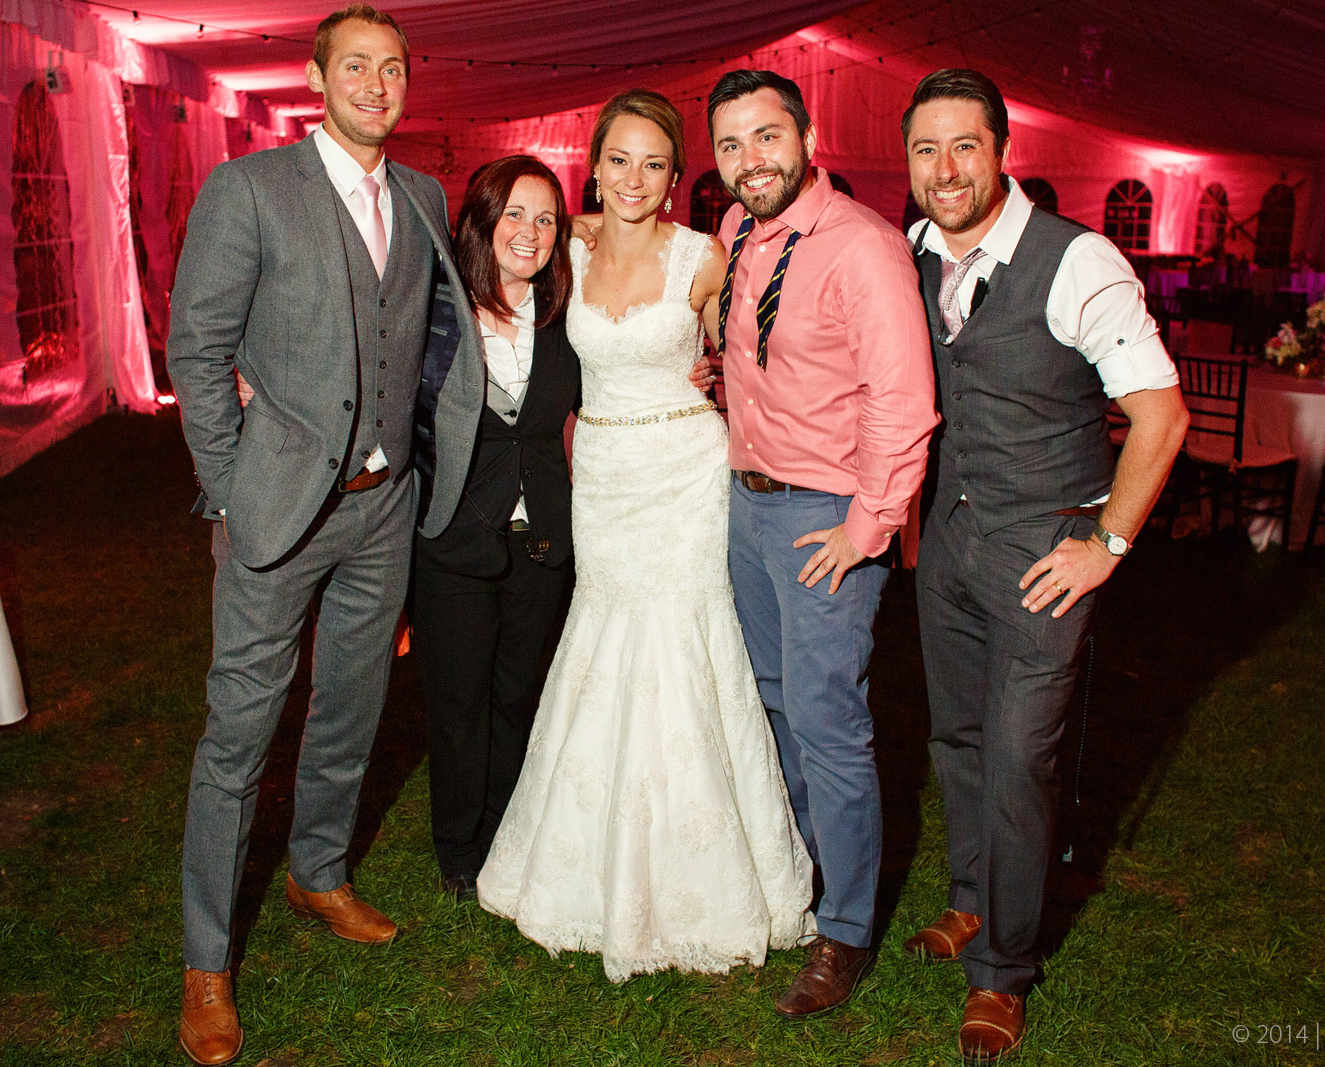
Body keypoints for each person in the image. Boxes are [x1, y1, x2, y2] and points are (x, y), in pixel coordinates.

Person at [165, 6, 483, 1064]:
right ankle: (206, 959)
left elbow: (429, 336)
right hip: (278, 509)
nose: (377, 85)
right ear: (316, 77)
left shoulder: (424, 194)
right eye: (356, 66)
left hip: (384, 509)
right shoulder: (249, 189)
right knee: (239, 733)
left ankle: (318, 871)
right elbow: (197, 350)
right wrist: (228, 489)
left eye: (393, 68)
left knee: (351, 705)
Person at [476, 89, 813, 982]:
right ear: (594, 168)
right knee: (604, 640)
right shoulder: (567, 248)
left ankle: (709, 874)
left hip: (685, 477)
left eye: (654, 163)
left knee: (688, 646)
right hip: (604, 479)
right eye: (619, 160)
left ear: (675, 176)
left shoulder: (705, 257)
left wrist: (725, 382)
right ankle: (589, 863)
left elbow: (749, 361)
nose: (635, 178)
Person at [900, 69, 1188, 1061]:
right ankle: (972, 900)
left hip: (1043, 554)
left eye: (963, 146)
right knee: (958, 738)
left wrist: (1106, 544)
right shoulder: (913, 249)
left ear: (1002, 151)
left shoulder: (1079, 261)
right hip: (948, 543)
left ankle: (1002, 971)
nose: (944, 169)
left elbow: (1161, 415)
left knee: (1021, 759)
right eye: (925, 149)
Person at [705, 70, 938, 1018]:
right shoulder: (737, 231)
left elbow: (904, 403)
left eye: (767, 136)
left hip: (824, 517)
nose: (750, 160)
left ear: (806, 136)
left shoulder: (864, 247)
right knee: (773, 703)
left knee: (827, 721)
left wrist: (864, 527)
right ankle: (803, 876)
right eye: (730, 145)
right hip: (745, 505)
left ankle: (845, 928)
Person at [407, 156, 579, 901]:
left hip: (541, 538)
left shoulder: (569, 316)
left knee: (518, 695)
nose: (530, 232)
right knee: (457, 702)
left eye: (546, 219)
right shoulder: (435, 313)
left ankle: (507, 837)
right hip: (453, 538)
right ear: (480, 221)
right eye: (514, 213)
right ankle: (459, 848)